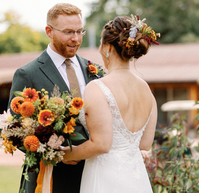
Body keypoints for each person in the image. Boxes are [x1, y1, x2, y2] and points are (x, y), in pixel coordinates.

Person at [8, 3, 101, 193]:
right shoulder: (28, 74)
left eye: (79, 31)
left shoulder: (94, 70)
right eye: (68, 32)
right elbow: (13, 129)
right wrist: (54, 154)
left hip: (94, 174)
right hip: (50, 178)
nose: (75, 38)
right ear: (49, 31)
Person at [62, 15, 158, 192]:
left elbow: (102, 144)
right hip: (136, 178)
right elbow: (145, 144)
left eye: (100, 43)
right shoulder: (147, 90)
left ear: (107, 47)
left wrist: (66, 154)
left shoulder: (97, 87)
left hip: (105, 178)